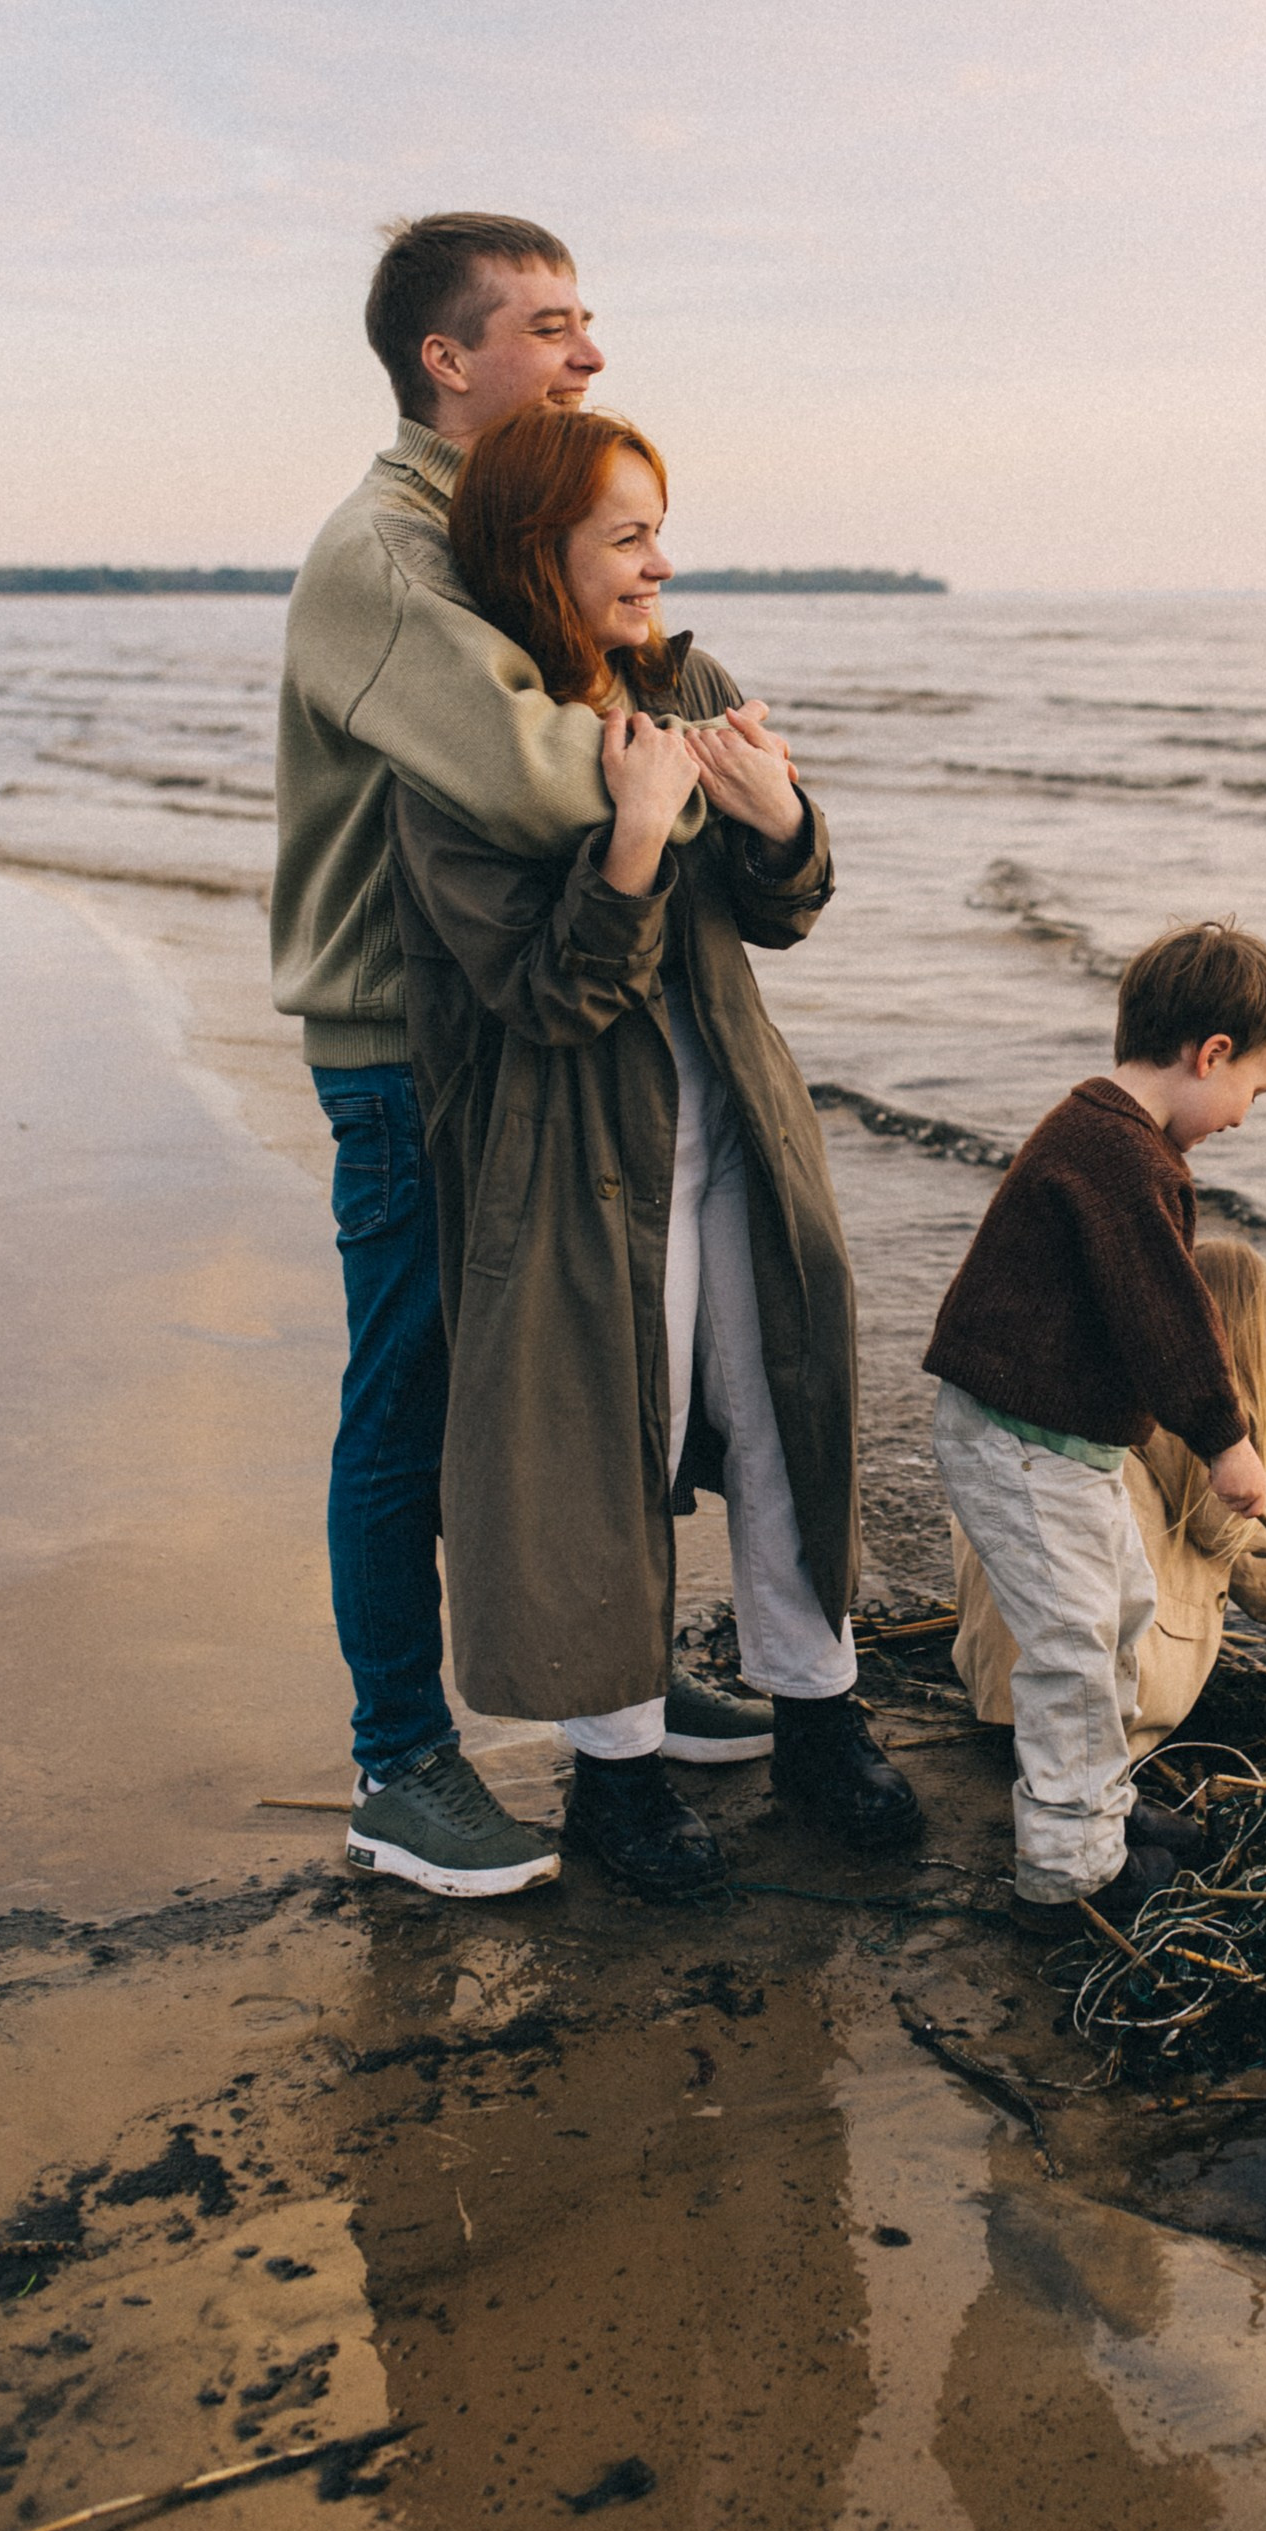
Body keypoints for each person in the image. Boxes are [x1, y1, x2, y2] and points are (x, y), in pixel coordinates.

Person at [272, 214, 769, 1905]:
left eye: (586, 320)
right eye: (551, 326)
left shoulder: (495, 528)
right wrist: (706, 766)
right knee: (416, 1396)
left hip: (509, 1042)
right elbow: (543, 779)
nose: (589, 353)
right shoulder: (386, 554)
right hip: (408, 1052)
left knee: (583, 1378)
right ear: (446, 358)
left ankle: (607, 1675)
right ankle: (400, 1764)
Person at [385, 401, 921, 1898]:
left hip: (737, 1124)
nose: (659, 566)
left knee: (783, 1415)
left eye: (655, 532)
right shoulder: (461, 738)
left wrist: (780, 818)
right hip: (569, 1161)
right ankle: (613, 1780)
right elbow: (548, 999)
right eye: (626, 539)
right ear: (536, 550)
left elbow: (781, 908)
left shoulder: (686, 679)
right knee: (591, 1459)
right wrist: (628, 840)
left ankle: (818, 1716)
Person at [924, 921, 1266, 1934]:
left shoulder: (1113, 1138)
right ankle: (1067, 1869)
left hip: (1062, 1435)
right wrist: (1226, 1441)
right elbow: (1165, 1317)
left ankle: (1106, 1807)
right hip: (1016, 1437)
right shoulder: (1123, 1159)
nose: (1243, 1117)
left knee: (1124, 1609)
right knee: (1073, 1647)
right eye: (1253, 1090)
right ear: (1210, 1052)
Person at [949, 1236, 1266, 1756]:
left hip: (1007, 1676)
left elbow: (1201, 1532)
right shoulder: (1185, 1406)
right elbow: (1219, 1526)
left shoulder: (1107, 1373)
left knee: (1164, 1518)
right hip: (1083, 1705)